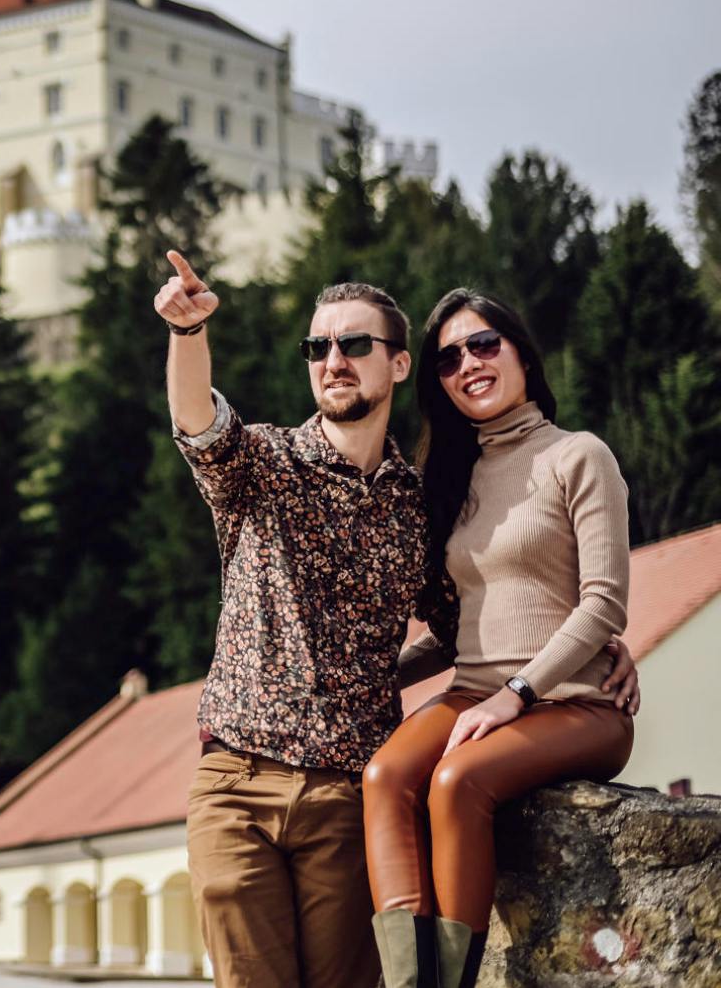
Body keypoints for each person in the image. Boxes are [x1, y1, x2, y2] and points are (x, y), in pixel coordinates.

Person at [154, 255, 636, 988]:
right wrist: (190, 334)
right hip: (237, 780)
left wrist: (595, 647)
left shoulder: (418, 502)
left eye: (354, 345)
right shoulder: (264, 462)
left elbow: (466, 625)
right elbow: (199, 424)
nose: (333, 361)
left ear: (398, 364)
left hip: (344, 794)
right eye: (318, 348)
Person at [361, 290, 637, 988]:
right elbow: (462, 632)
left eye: (484, 343)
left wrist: (517, 692)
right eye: (449, 357)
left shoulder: (579, 455)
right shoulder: (453, 480)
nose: (469, 363)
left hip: (576, 703)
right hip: (473, 691)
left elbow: (603, 604)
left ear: (519, 351)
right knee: (385, 776)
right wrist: (371, 672)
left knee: (456, 781)